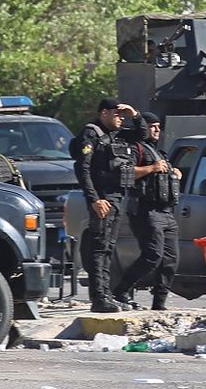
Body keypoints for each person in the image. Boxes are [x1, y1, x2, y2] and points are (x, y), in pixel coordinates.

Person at [73, 97, 147, 313]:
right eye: (117, 114)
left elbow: (141, 135)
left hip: (117, 197)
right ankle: (99, 298)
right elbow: (83, 169)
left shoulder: (116, 135)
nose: (121, 119)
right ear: (104, 113)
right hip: (103, 198)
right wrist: (94, 199)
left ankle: (107, 295)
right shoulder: (91, 134)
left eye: (123, 116)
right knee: (100, 247)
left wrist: (136, 115)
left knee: (108, 248)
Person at [113, 112, 182, 311]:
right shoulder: (135, 149)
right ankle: (121, 290)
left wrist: (174, 172)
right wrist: (151, 168)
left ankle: (159, 303)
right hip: (146, 210)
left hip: (166, 212)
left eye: (159, 126)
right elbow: (126, 172)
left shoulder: (159, 152)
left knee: (170, 260)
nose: (157, 130)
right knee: (153, 255)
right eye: (153, 126)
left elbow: (164, 176)